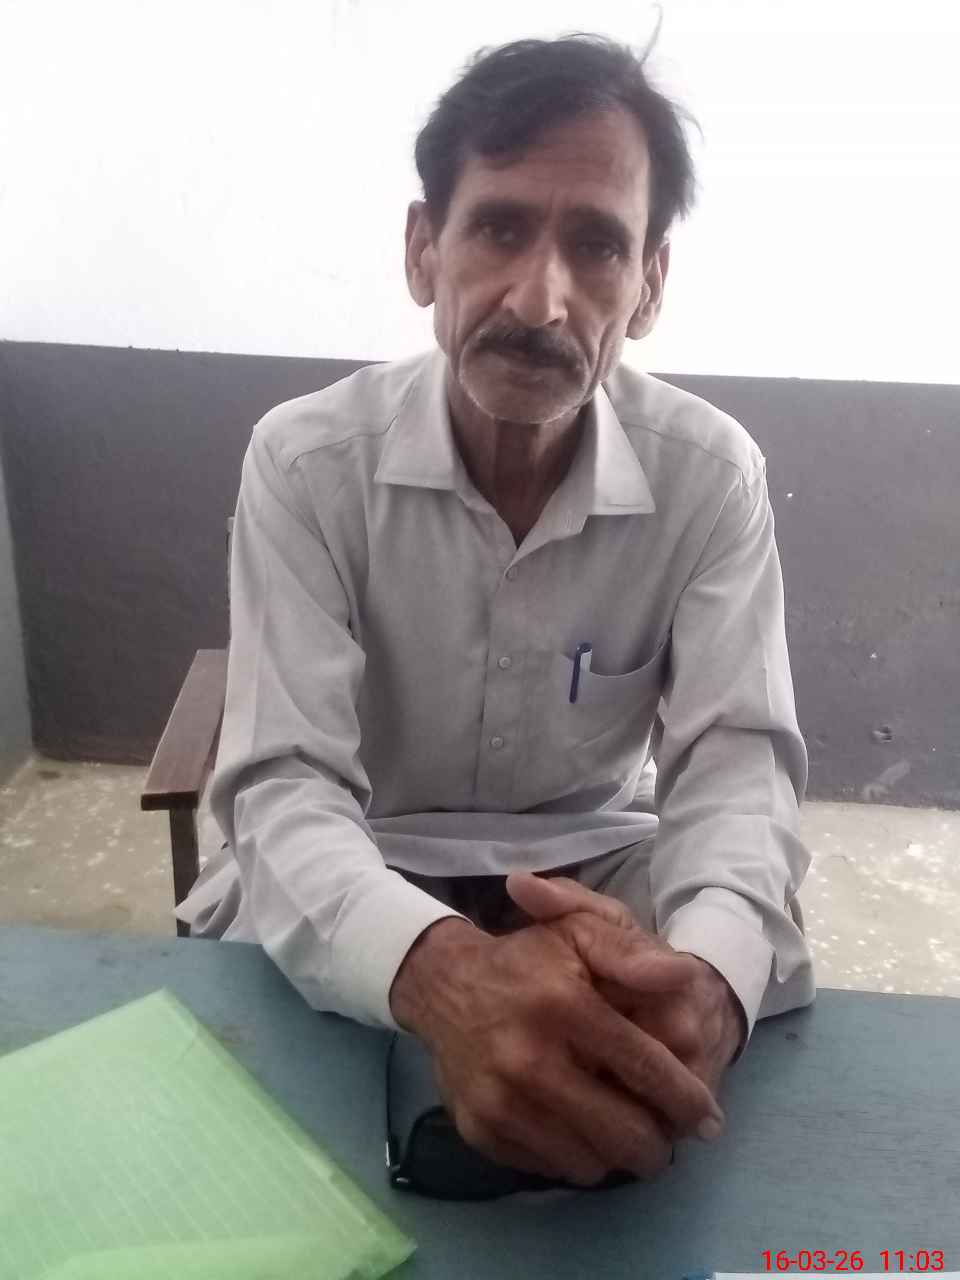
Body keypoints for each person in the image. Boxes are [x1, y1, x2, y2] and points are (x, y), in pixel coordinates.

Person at [178, 32, 815, 1187]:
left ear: (649, 284)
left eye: (598, 244)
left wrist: (710, 989)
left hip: (596, 861)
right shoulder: (307, 463)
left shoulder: (711, 476)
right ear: (424, 248)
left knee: (725, 967)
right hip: (367, 852)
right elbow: (287, 783)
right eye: (501, 228)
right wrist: (445, 973)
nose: (539, 299)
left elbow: (737, 769)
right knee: (256, 1106)